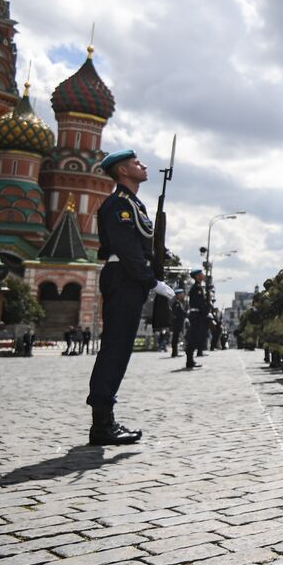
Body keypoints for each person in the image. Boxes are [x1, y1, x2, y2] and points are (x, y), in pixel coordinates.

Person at [87, 149, 175, 446]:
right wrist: (152, 282)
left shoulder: (134, 204)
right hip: (123, 278)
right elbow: (127, 250)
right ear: (123, 171)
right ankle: (102, 424)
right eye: (137, 163)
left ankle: (105, 420)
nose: (144, 165)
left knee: (120, 349)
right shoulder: (119, 205)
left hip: (128, 280)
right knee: (115, 349)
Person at [185, 270, 211, 370]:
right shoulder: (196, 288)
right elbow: (200, 303)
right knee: (193, 337)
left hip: (198, 315)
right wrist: (205, 312)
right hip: (197, 315)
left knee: (195, 337)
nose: (203, 276)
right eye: (201, 274)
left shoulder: (199, 287)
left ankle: (190, 360)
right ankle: (189, 361)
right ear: (197, 276)